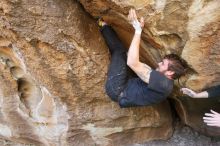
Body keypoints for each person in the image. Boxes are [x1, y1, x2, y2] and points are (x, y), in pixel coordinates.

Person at [99, 9, 189, 108]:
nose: (159, 63)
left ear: (170, 72)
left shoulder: (163, 83)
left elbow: (132, 62)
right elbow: (138, 65)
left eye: (163, 64)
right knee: (126, 54)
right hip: (126, 84)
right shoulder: (165, 83)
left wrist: (138, 30)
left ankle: (102, 24)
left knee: (119, 51)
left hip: (117, 89)